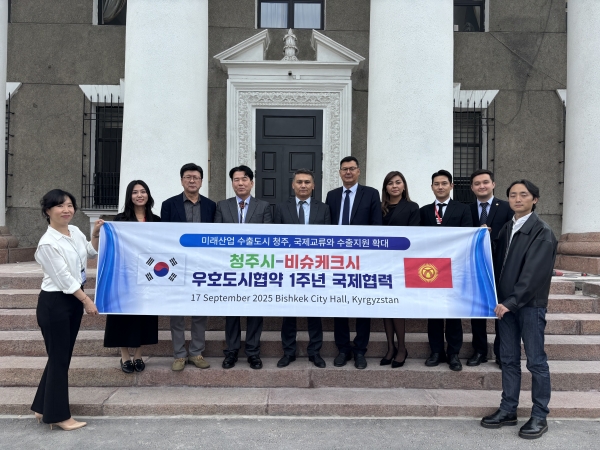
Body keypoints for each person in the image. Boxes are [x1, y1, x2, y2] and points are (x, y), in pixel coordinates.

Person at [481, 180, 557, 440]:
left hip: (529, 307)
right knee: (509, 359)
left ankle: (539, 415)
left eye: (523, 195)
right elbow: (497, 261)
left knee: (536, 361)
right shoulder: (507, 228)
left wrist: (511, 302)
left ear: (535, 199)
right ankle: (508, 409)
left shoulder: (541, 231)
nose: (517, 199)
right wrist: (483, 238)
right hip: (505, 306)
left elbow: (533, 275)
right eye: (513, 195)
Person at [31, 189, 102, 431]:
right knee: (60, 359)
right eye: (60, 206)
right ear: (48, 211)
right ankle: (59, 416)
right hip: (56, 303)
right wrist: (87, 300)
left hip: (71, 301)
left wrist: (95, 235)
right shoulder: (47, 243)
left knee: (60, 357)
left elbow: (90, 252)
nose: (66, 210)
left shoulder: (75, 231)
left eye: (70, 205)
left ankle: (42, 407)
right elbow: (64, 279)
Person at [325, 156, 382, 370]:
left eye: (352, 168)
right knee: (339, 303)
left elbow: (376, 226)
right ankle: (342, 348)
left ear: (358, 171)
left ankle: (360, 350)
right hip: (337, 259)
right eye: (344, 169)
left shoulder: (371, 193)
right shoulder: (332, 195)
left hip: (362, 259)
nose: (348, 172)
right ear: (340, 172)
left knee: (362, 305)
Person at [214, 165, 272, 370]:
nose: (240, 183)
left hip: (255, 268)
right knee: (232, 310)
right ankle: (231, 351)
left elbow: (267, 238)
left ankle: (253, 352)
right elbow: (217, 237)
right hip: (230, 268)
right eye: (236, 179)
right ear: (232, 183)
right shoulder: (222, 206)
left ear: (251, 182)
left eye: (244, 179)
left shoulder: (263, 206)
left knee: (255, 310)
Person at [273, 168, 331, 369]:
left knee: (314, 312)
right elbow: (276, 239)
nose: (303, 185)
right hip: (289, 268)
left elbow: (328, 240)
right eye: (299, 182)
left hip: (314, 268)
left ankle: (315, 352)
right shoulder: (281, 208)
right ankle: (288, 352)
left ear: (313, 186)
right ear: (293, 185)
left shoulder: (323, 209)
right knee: (289, 312)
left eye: (307, 182)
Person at [161, 163, 216, 371]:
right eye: (188, 177)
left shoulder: (211, 206)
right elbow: (163, 236)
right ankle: (179, 355)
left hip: (202, 265)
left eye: (196, 177)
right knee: (177, 311)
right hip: (176, 266)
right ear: (182, 180)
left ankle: (196, 352)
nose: (192, 181)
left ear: (201, 181)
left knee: (200, 309)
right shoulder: (169, 204)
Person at [103, 180, 160, 373]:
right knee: (123, 316)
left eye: (143, 191)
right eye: (135, 192)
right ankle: (125, 355)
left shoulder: (157, 221)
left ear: (148, 195)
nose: (139, 195)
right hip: (124, 276)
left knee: (144, 315)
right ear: (129, 196)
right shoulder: (120, 220)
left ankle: (139, 354)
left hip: (149, 276)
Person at [419, 169, 473, 372]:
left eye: (444, 183)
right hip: (430, 270)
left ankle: (454, 353)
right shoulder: (424, 211)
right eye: (436, 184)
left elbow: (467, 236)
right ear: (431, 187)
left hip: (454, 268)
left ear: (451, 186)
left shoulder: (463, 209)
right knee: (433, 313)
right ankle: (436, 352)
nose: (440, 187)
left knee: (452, 313)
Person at [467, 169, 514, 368]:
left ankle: (501, 352)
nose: (482, 186)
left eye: (485, 182)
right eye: (477, 183)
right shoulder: (467, 210)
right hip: (475, 268)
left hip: (501, 267)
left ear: (493, 184)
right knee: (477, 311)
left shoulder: (506, 207)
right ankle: (479, 351)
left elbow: (512, 235)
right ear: (472, 187)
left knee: (501, 311)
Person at [380, 171, 419, 368]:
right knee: (385, 307)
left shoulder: (412, 207)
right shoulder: (379, 207)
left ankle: (402, 348)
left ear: (404, 186)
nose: (394, 186)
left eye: (398, 182)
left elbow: (414, 235)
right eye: (390, 183)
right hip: (381, 263)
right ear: (385, 187)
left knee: (397, 306)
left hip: (401, 263)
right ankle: (390, 347)